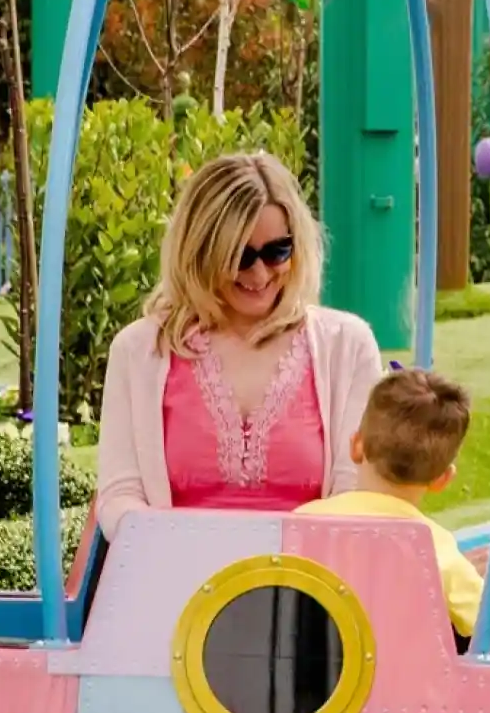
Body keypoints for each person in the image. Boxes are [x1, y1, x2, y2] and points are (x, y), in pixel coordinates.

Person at [95, 152, 381, 538]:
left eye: (277, 251)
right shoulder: (139, 350)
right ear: (200, 251)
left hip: (308, 586)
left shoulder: (348, 347)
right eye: (240, 257)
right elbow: (119, 496)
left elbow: (356, 495)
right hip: (176, 583)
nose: (260, 273)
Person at [296, 369, 490, 650]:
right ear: (443, 479)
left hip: (313, 687)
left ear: (356, 446)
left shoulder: (302, 521)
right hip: (403, 691)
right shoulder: (430, 545)